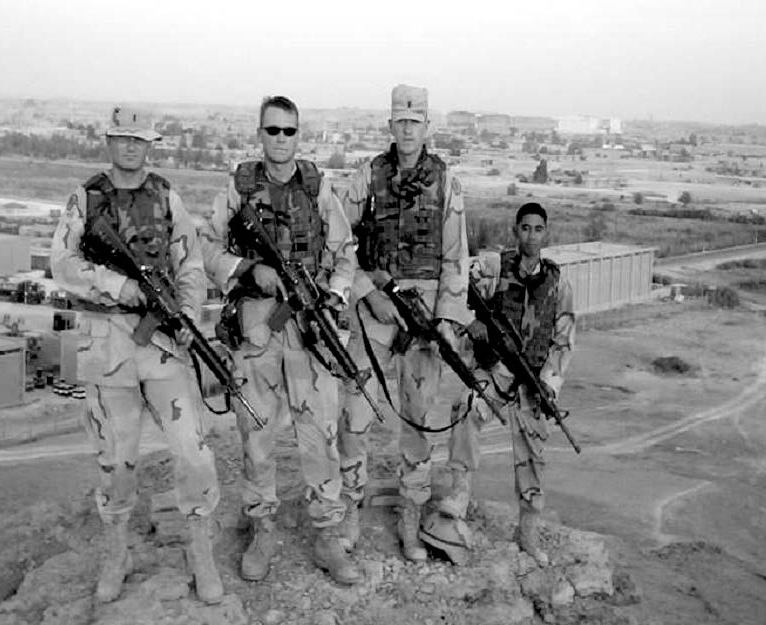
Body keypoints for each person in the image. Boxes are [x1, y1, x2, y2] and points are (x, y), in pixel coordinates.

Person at [50, 106, 223, 604]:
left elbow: (188, 261)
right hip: (107, 343)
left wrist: (187, 314)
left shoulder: (167, 195)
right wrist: (117, 284)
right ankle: (117, 552)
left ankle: (200, 551)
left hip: (164, 342)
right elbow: (63, 263)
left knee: (193, 451)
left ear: (150, 145)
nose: (131, 147)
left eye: (139, 140)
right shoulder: (84, 198)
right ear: (109, 141)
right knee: (117, 460)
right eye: (122, 138)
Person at [202, 95, 361, 586]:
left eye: (289, 131)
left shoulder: (318, 187)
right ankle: (262, 527)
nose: (281, 140)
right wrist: (252, 270)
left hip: (310, 331)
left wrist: (332, 296)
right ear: (260, 133)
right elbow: (205, 248)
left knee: (321, 439)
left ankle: (327, 535)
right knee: (257, 438)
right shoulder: (238, 186)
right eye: (273, 131)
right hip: (257, 330)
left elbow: (345, 253)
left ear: (299, 134)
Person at [335, 84, 475, 561]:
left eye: (416, 122)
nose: (408, 129)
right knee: (355, 412)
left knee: (417, 418)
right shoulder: (366, 177)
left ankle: (411, 518)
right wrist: (366, 291)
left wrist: (447, 321)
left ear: (427, 127)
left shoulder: (447, 182)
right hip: (376, 310)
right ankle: (350, 509)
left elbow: (457, 259)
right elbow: (337, 240)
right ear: (390, 125)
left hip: (426, 315)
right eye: (400, 121)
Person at [437, 201, 575, 566]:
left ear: (547, 233)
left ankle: (527, 531)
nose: (531, 235)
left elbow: (564, 339)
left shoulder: (559, 283)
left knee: (532, 455)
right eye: (525, 228)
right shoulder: (494, 266)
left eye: (538, 229)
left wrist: (550, 383)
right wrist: (471, 322)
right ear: (515, 230)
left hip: (532, 379)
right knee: (466, 409)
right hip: (496, 370)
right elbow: (455, 285)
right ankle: (460, 495)